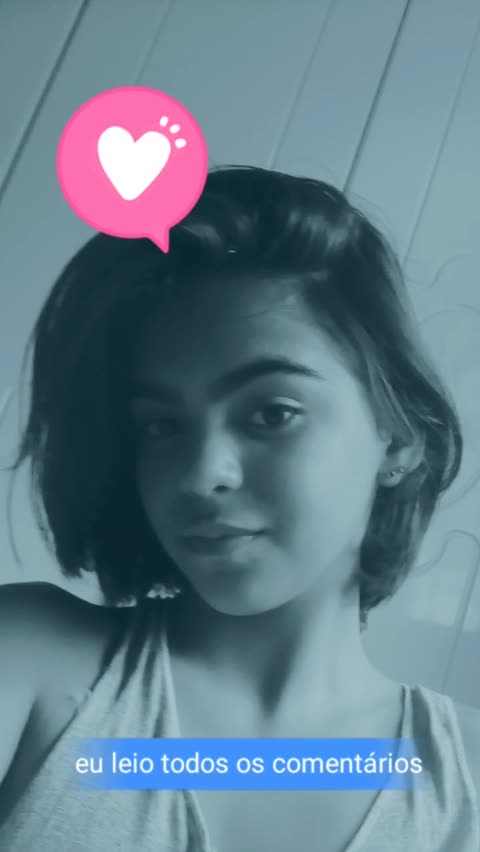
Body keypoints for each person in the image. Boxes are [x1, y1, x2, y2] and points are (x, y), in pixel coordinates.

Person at [0, 165, 479, 852]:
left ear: (400, 437)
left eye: (271, 413)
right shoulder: (27, 663)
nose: (199, 475)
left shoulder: (466, 781)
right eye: (160, 426)